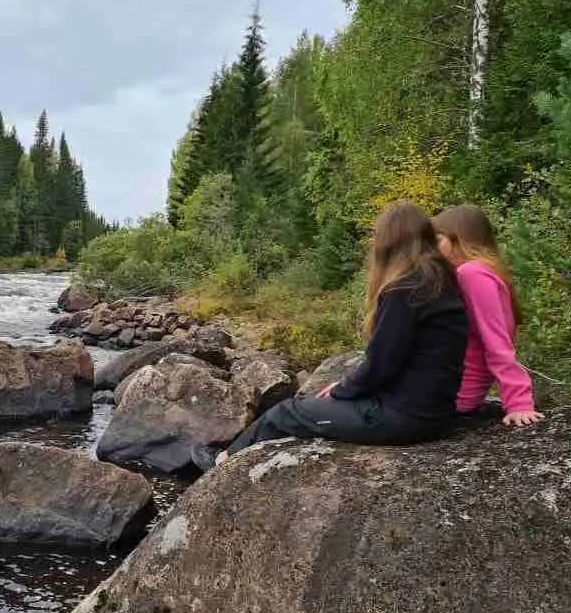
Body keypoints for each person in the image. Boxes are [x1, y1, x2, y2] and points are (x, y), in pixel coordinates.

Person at [194, 201, 469, 471]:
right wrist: (347, 389)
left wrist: (341, 390)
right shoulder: (441, 280)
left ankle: (224, 461)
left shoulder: (405, 289)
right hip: (432, 412)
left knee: (287, 412)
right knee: (314, 403)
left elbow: (381, 365)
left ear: (388, 243)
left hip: (404, 418)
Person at [432, 204, 543, 427]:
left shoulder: (471, 273)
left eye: (437, 239)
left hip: (455, 393)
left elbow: (496, 341)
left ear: (459, 238)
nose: (431, 248)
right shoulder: (482, 270)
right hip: (455, 388)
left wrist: (519, 402)